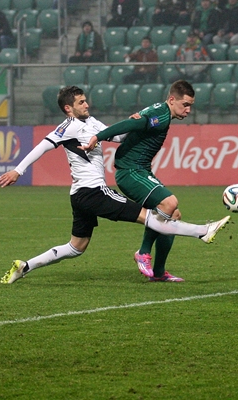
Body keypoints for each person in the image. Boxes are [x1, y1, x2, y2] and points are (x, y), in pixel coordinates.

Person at [0, 85, 230, 284]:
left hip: (79, 196)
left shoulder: (91, 122)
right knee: (156, 217)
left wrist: (135, 122)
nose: (86, 104)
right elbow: (44, 145)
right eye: (81, 102)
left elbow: (117, 137)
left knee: (76, 247)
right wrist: (18, 170)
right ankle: (202, 232)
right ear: (69, 108)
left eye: (85, 100)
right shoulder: (69, 126)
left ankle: (24, 266)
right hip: (94, 192)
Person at [82, 80, 212, 283]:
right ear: (171, 100)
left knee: (173, 215)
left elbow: (138, 120)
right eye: (185, 104)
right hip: (130, 171)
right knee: (169, 203)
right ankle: (143, 252)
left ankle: (159, 273)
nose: (188, 110)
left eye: (190, 106)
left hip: (140, 170)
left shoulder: (161, 111)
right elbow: (132, 124)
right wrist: (97, 137)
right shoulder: (161, 116)